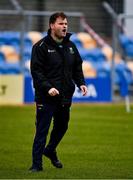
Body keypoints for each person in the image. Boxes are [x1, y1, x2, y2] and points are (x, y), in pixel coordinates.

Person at [29, 12, 88, 172]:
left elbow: (77, 67)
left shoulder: (71, 46)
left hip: (64, 96)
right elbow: (36, 71)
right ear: (52, 26)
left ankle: (50, 150)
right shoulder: (40, 47)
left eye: (66, 24)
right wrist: (48, 87)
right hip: (45, 97)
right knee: (42, 129)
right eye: (61, 23)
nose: (65, 26)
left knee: (62, 126)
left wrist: (81, 83)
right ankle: (36, 166)